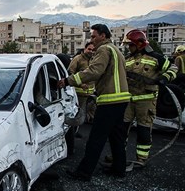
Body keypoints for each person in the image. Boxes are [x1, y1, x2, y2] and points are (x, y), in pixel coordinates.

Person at [57, 24, 131, 181]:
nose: (92, 39)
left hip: (110, 100)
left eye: (93, 36)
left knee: (96, 138)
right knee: (116, 137)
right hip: (122, 99)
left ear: (103, 36)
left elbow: (94, 71)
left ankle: (84, 173)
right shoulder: (116, 50)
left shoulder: (104, 50)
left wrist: (68, 81)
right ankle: (119, 169)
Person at [114, 29, 177, 167]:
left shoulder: (156, 58)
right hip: (129, 101)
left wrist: (165, 78)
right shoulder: (128, 60)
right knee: (121, 130)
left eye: (131, 45)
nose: (128, 48)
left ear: (139, 44)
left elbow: (173, 68)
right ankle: (118, 156)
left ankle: (141, 159)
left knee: (143, 131)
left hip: (147, 101)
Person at [68, 42, 96, 137]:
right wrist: (80, 84)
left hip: (89, 94)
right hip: (78, 93)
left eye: (93, 50)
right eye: (89, 49)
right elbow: (70, 73)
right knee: (76, 115)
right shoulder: (77, 59)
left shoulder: (94, 60)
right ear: (85, 49)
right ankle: (72, 134)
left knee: (84, 116)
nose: (91, 51)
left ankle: (76, 131)